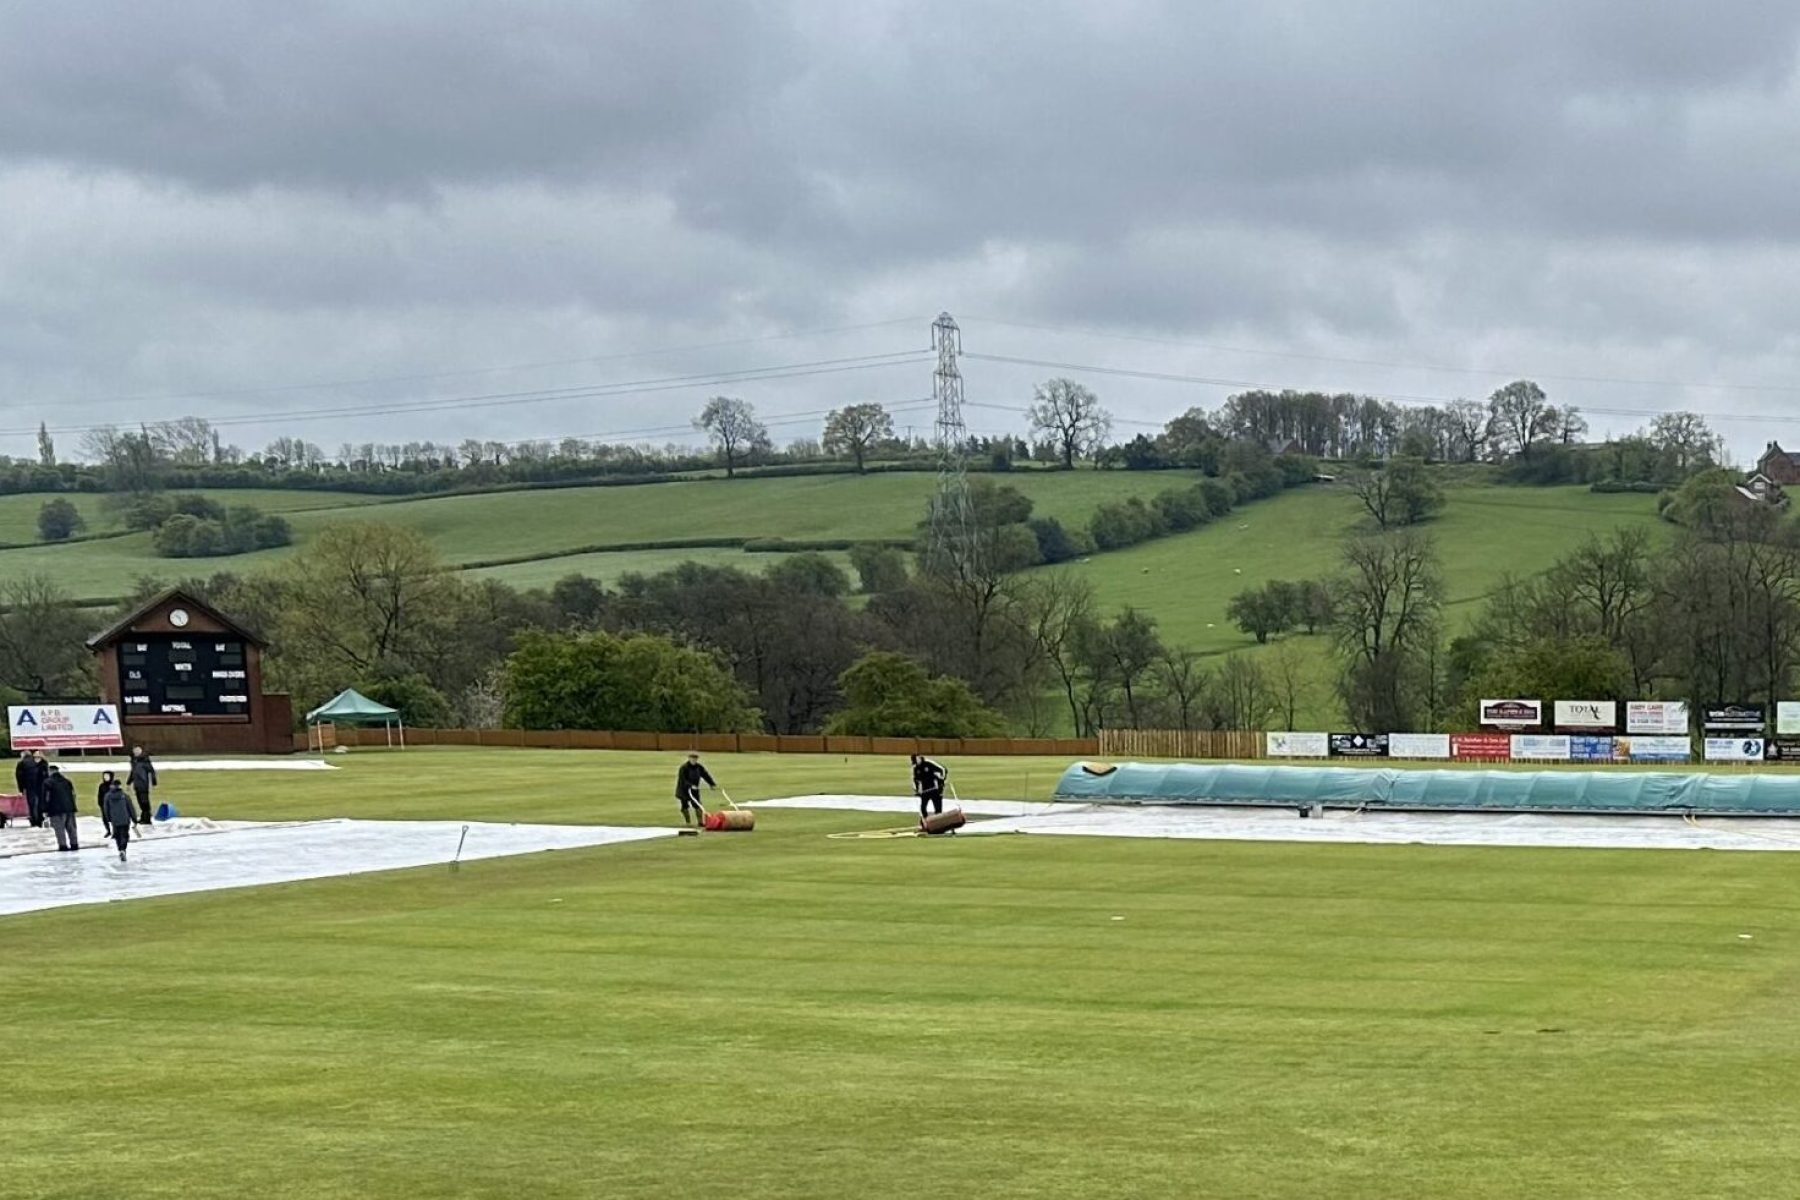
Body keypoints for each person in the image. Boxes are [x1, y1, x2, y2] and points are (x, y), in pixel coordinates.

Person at [43, 765, 79, 852]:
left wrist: (45, 809)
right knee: (71, 828)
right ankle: (74, 844)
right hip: (69, 809)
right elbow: (73, 794)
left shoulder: (47, 783)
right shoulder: (67, 781)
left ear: (50, 771)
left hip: (56, 810)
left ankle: (63, 846)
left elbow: (46, 797)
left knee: (60, 829)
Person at [99, 776, 135, 862]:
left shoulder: (107, 796)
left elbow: (106, 809)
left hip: (115, 820)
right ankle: (123, 849)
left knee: (117, 835)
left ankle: (120, 849)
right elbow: (130, 807)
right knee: (124, 835)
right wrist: (134, 819)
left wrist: (108, 819)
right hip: (125, 819)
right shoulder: (124, 795)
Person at [674, 752, 716, 826]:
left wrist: (711, 784)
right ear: (689, 758)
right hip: (684, 790)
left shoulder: (699, 767)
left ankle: (700, 822)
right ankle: (688, 822)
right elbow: (683, 780)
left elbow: (705, 775)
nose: (694, 760)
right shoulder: (684, 768)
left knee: (697, 805)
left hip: (695, 790)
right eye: (692, 758)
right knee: (685, 806)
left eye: (695, 759)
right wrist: (690, 786)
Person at [911, 754, 948, 822]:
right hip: (925, 791)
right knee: (923, 809)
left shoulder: (928, 763)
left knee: (938, 809)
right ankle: (925, 822)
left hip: (935, 789)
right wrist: (917, 790)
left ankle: (939, 823)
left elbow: (943, 769)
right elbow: (915, 780)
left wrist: (942, 780)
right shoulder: (916, 768)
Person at [15, 749, 47, 828]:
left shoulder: (21, 763)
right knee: (40, 802)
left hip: (29, 785)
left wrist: (21, 790)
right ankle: (40, 819)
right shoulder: (39, 761)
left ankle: (34, 821)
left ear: (23, 755)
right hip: (40, 785)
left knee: (32, 804)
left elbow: (19, 777)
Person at [128, 746, 158, 827]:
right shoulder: (134, 761)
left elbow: (152, 771)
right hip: (137, 785)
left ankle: (147, 819)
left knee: (145, 802)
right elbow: (132, 773)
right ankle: (143, 818)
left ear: (140, 751)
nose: (136, 752)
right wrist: (129, 782)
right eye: (135, 751)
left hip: (143, 785)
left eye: (137, 751)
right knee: (140, 802)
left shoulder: (145, 760)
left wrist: (154, 782)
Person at [95, 771, 123, 842]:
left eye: (107, 776)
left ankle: (115, 832)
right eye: (104, 776)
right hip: (104, 805)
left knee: (113, 819)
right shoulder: (101, 786)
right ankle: (108, 831)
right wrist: (100, 803)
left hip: (112, 806)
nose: (105, 777)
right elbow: (99, 795)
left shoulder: (113, 786)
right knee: (105, 819)